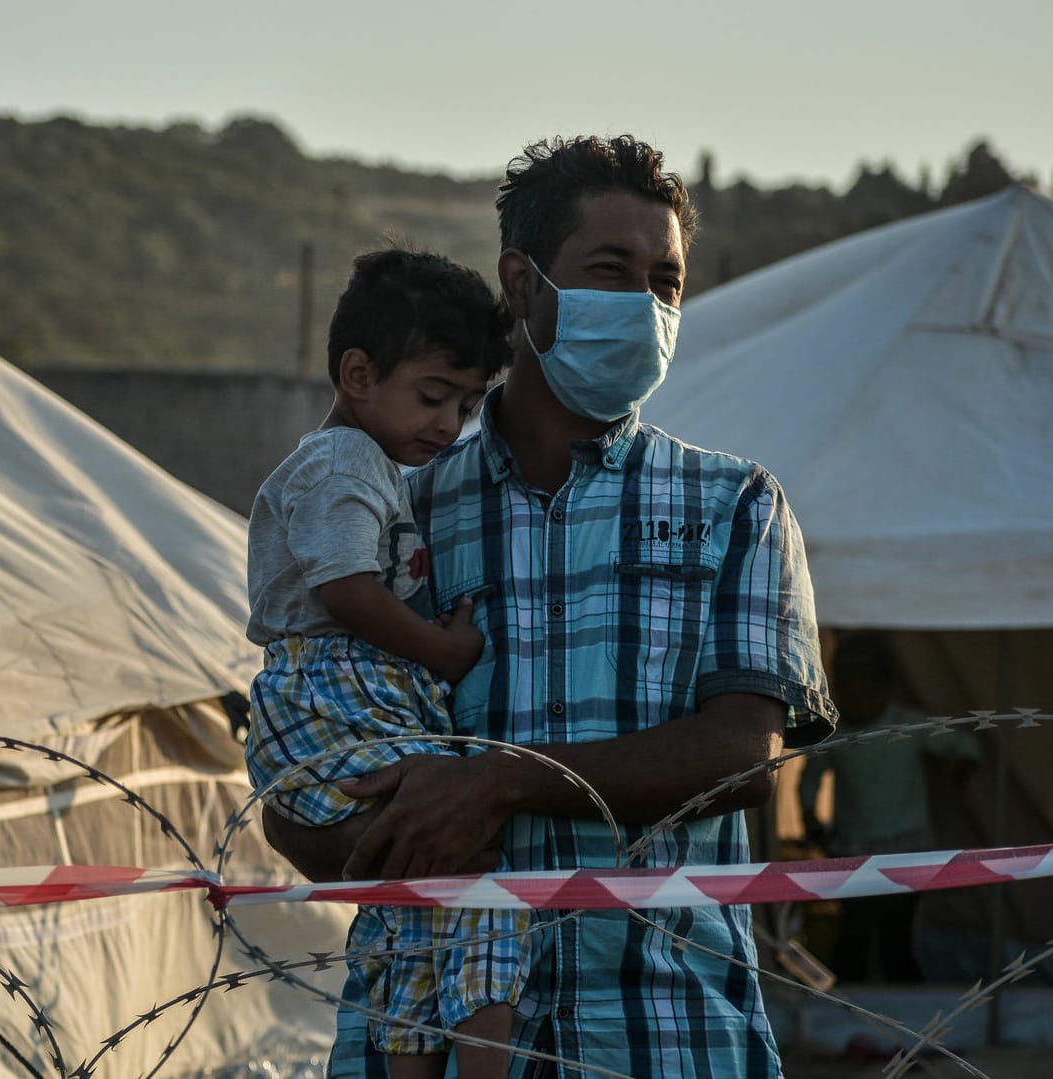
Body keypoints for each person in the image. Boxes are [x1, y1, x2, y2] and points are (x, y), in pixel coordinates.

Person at [262, 136, 838, 1078]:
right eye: (611, 272)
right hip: (429, 1037)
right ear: (522, 285)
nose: (645, 306)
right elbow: (304, 732)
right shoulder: (393, 506)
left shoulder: (735, 505)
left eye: (666, 283)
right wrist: (355, 834)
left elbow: (740, 757)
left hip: (666, 1032)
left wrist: (494, 782)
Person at [245, 247, 521, 1079]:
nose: (448, 426)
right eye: (433, 396)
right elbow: (350, 595)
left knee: (415, 897)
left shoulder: (375, 465)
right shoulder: (343, 463)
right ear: (358, 374)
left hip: (357, 698)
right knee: (466, 879)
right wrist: (449, 648)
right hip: (335, 700)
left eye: (468, 405)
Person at [797, 631, 978, 982]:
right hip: (853, 847)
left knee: (898, 936)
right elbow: (809, 780)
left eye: (865, 687)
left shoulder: (906, 724)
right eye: (848, 687)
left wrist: (964, 766)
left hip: (907, 847)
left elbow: (962, 742)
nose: (857, 697)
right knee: (854, 936)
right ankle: (851, 1011)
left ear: (884, 686)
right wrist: (809, 818)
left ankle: (907, 1015)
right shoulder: (836, 734)